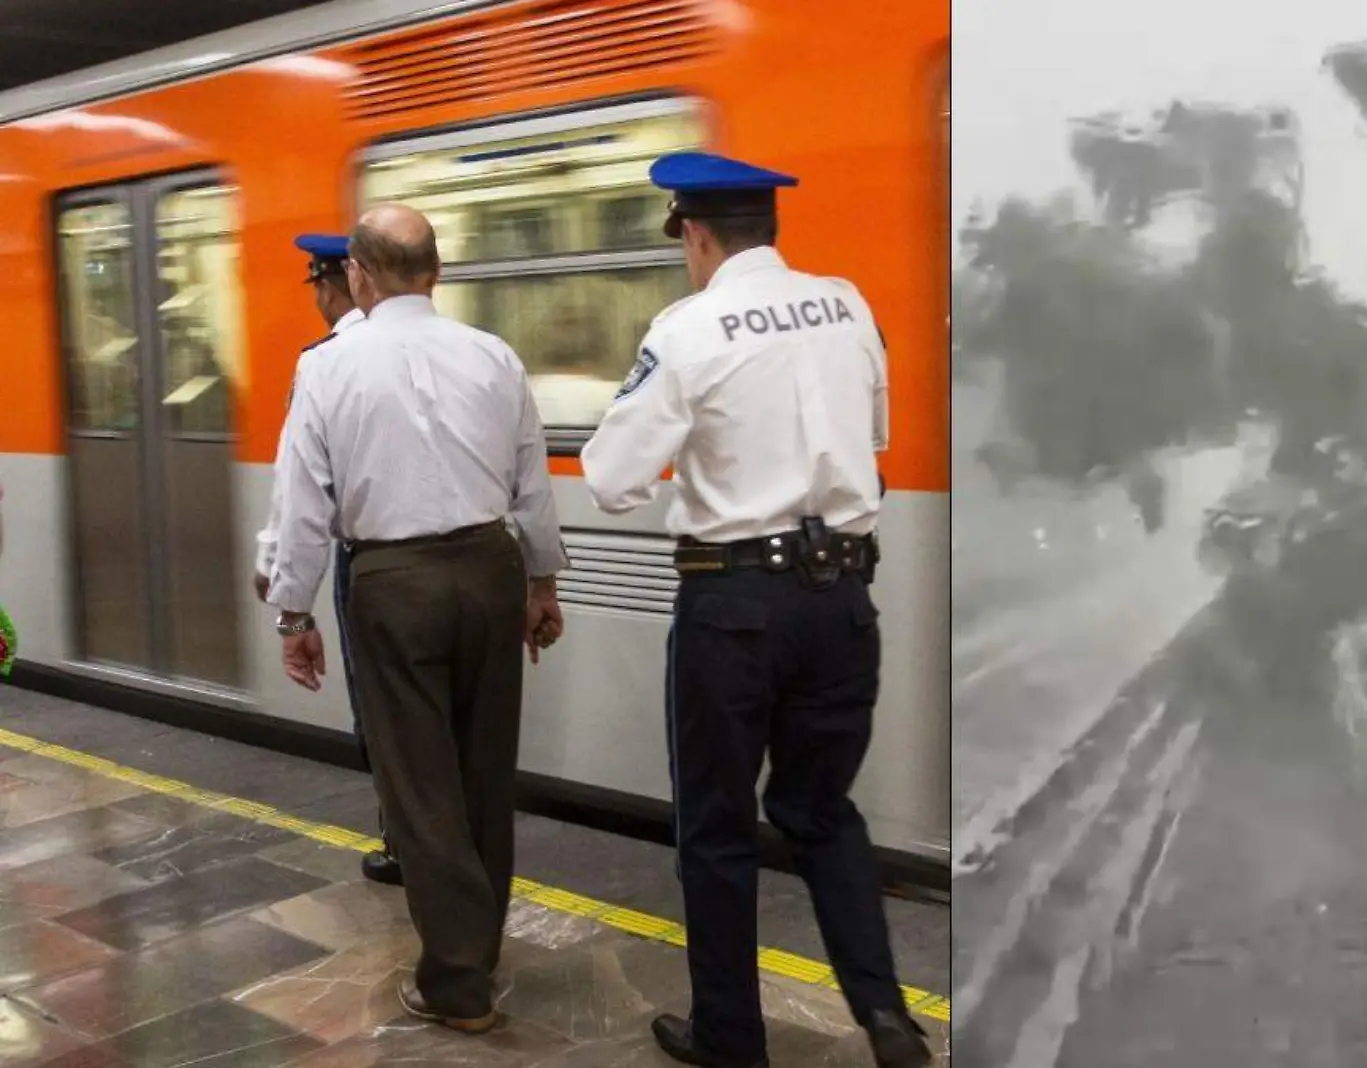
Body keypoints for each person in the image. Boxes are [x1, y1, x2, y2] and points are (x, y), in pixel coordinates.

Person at [580, 151, 931, 1068]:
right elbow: (878, 436)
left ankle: (731, 1037)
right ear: (767, 230)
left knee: (719, 824)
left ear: (695, 235)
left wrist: (689, 478)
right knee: (823, 812)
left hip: (733, 607)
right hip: (843, 599)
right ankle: (886, 1016)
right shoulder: (847, 304)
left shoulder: (688, 327)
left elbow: (611, 477)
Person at [266, 203, 569, 1033]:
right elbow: (531, 485)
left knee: (420, 788)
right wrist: (542, 584)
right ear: (436, 272)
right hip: (489, 566)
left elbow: (301, 501)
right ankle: (480, 948)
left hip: (393, 584)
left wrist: (295, 610)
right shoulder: (493, 356)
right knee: (482, 775)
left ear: (357, 277)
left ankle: (458, 982)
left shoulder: (328, 366)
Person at [254, 233, 401, 888]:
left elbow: (300, 483)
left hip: (369, 561)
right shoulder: (459, 348)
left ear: (333, 283)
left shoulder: (327, 361)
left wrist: (284, 583)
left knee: (381, 711)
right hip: (465, 555)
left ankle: (403, 841)